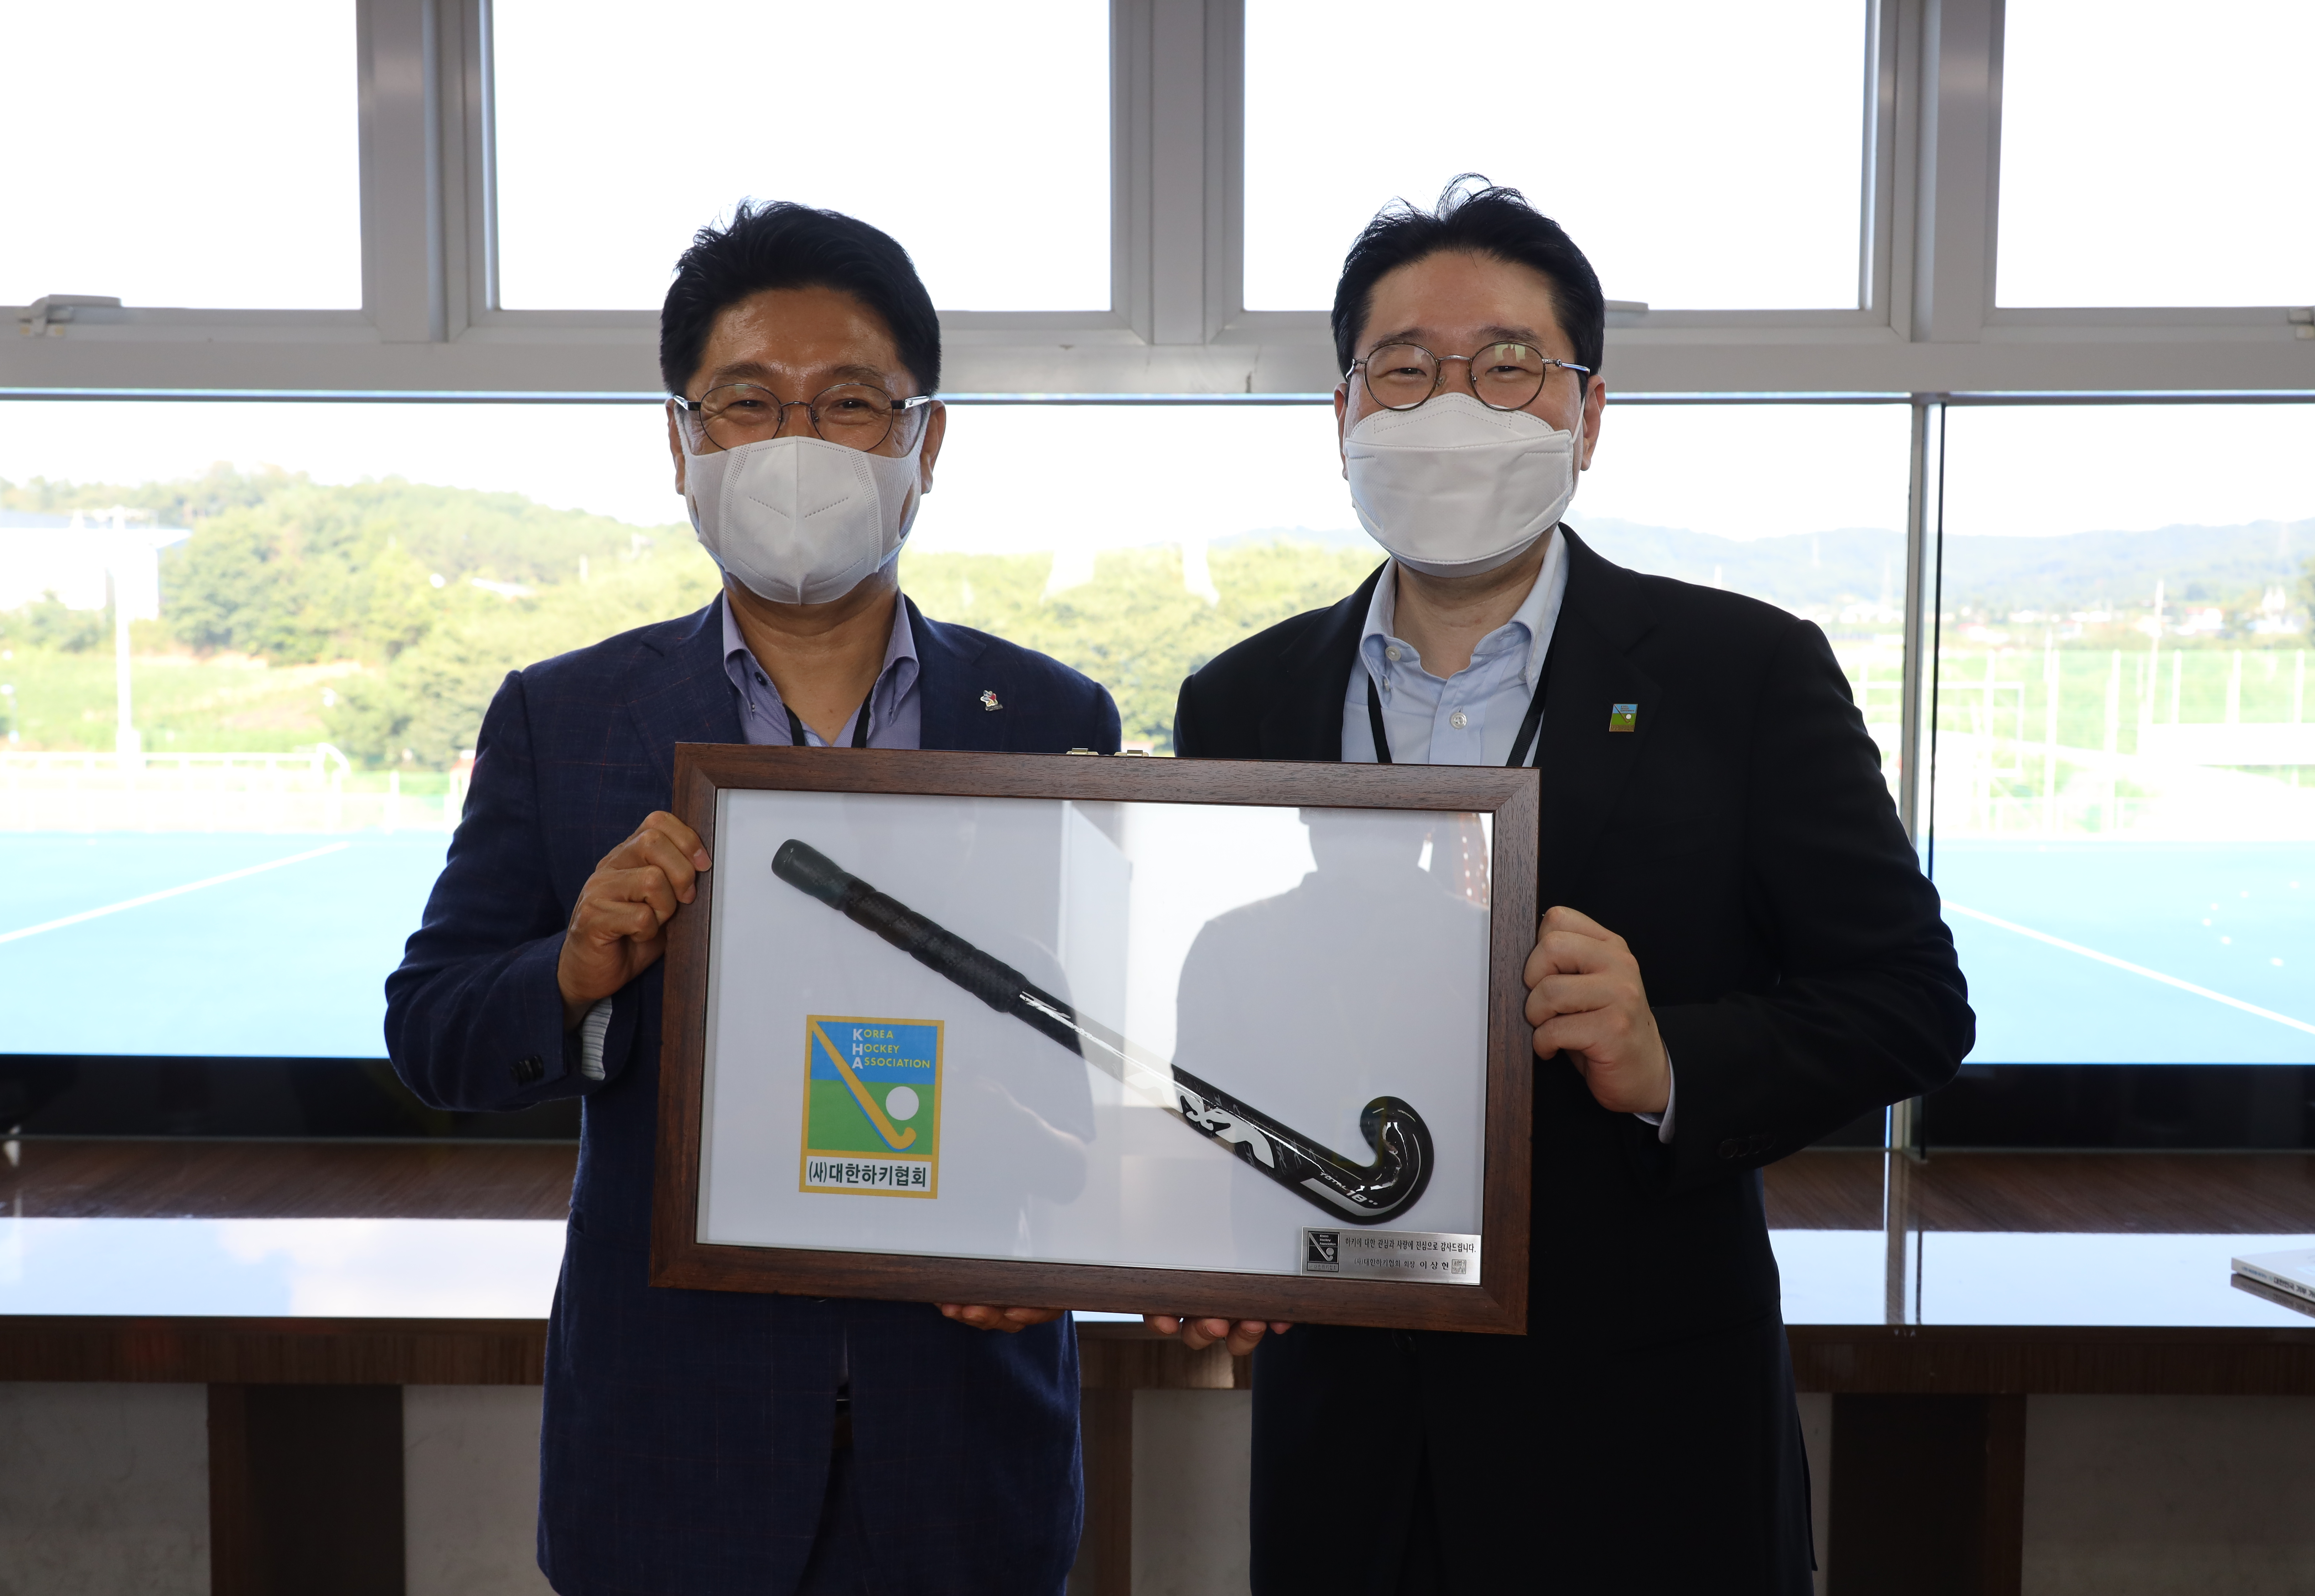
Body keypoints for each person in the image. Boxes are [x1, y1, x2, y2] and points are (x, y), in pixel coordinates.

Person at [1153, 178, 1972, 1594]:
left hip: (1647, 1445)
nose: (1451, 403)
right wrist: (1206, 1241)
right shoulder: (1242, 697)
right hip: (1348, 1444)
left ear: (1587, 414)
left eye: (1509, 364)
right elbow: (1237, 1038)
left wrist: (1670, 1060)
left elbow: (1912, 1004)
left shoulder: (1743, 674)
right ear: (1343, 414)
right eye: (1404, 368)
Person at [386, 201, 1121, 1596]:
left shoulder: (1049, 719)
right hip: (671, 1451)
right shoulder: (564, 718)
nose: (796, 442)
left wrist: (1073, 1235)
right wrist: (571, 968)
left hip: (965, 1445)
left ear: (925, 442)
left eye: (848, 401)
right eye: (747, 402)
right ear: (683, 443)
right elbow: (432, 1034)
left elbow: (1099, 1063)